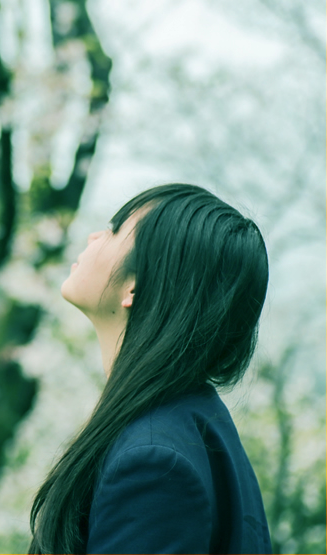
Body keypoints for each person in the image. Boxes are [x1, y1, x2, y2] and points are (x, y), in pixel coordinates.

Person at [29, 183, 272, 554]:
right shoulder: (194, 422)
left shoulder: (154, 462)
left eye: (114, 229)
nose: (94, 236)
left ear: (135, 286)